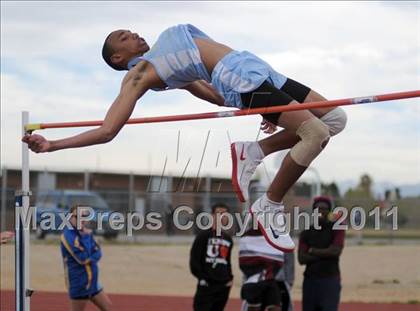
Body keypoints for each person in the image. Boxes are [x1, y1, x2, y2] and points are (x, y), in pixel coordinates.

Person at [22, 24, 347, 251]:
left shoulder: (170, 68)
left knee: (333, 119)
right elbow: (108, 130)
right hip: (238, 75)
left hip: (254, 68)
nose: (133, 33)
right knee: (314, 134)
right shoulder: (138, 76)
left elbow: (216, 97)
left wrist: (266, 108)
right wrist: (52, 145)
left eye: (130, 30)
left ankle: (254, 151)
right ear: (118, 59)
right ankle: (269, 205)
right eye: (124, 36)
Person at [60, 205, 112, 311]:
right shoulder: (68, 236)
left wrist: (93, 252)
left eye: (84, 216)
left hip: (92, 280)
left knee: (108, 307)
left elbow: (98, 252)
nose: (82, 220)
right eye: (78, 216)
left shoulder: (85, 232)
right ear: (70, 218)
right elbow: (82, 259)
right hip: (80, 282)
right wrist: (88, 239)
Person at [298, 196, 345, 311]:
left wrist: (312, 250)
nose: (321, 211)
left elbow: (336, 251)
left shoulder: (336, 229)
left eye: (324, 208)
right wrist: (326, 254)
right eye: (318, 208)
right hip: (310, 282)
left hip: (330, 281)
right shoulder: (306, 233)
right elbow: (301, 259)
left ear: (329, 211)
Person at [190, 203, 233, 311]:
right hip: (207, 286)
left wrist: (229, 279)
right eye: (218, 214)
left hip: (223, 286)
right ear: (212, 216)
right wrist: (203, 278)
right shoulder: (203, 236)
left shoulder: (228, 239)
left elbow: (227, 261)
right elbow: (194, 261)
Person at [239, 227, 284, 311]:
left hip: (270, 279)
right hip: (254, 280)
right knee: (254, 307)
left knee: (275, 307)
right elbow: (243, 260)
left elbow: (279, 258)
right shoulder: (248, 236)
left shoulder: (275, 236)